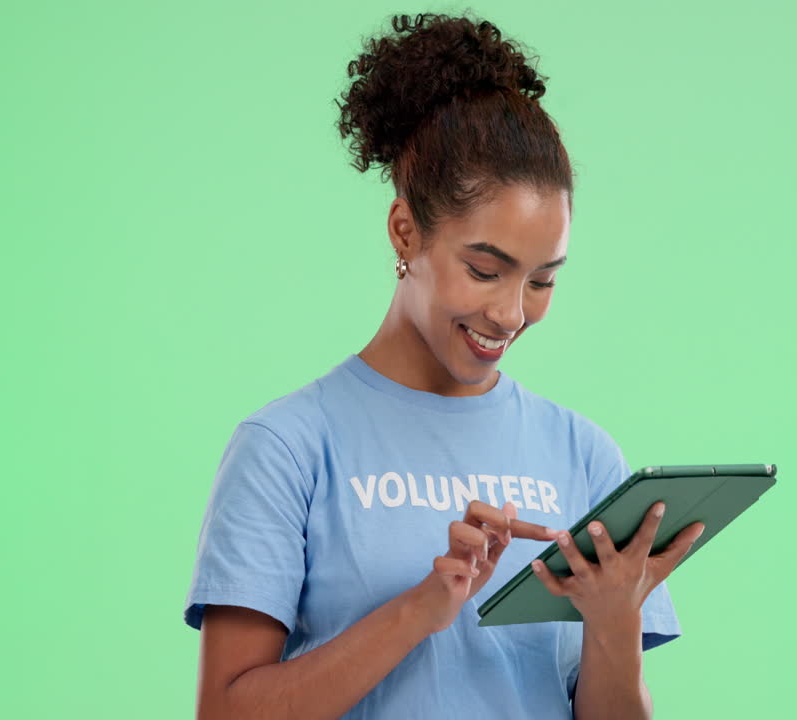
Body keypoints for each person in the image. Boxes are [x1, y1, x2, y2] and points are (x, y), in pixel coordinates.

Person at [184, 12, 706, 720]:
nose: (512, 312)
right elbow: (226, 712)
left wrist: (615, 620)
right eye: (486, 269)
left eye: (542, 280)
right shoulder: (288, 448)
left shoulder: (582, 454)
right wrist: (421, 610)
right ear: (406, 231)